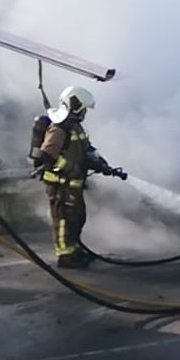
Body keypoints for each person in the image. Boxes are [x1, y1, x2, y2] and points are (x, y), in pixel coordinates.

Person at [33, 86, 113, 269]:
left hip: (73, 185)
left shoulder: (75, 127)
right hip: (61, 185)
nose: (85, 112)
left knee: (77, 218)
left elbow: (86, 149)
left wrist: (99, 163)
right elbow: (47, 154)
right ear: (74, 105)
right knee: (63, 221)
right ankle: (65, 256)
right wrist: (71, 167)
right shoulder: (58, 128)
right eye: (83, 108)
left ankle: (74, 249)